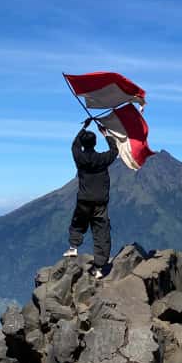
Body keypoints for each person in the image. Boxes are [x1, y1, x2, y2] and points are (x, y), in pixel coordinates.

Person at [63, 117, 119, 279]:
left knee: (78, 223)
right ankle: (99, 268)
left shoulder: (79, 158)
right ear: (95, 143)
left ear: (84, 143)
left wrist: (84, 127)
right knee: (101, 231)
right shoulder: (102, 159)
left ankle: (73, 247)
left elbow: (74, 145)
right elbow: (114, 151)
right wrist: (106, 134)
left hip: (84, 199)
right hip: (100, 200)